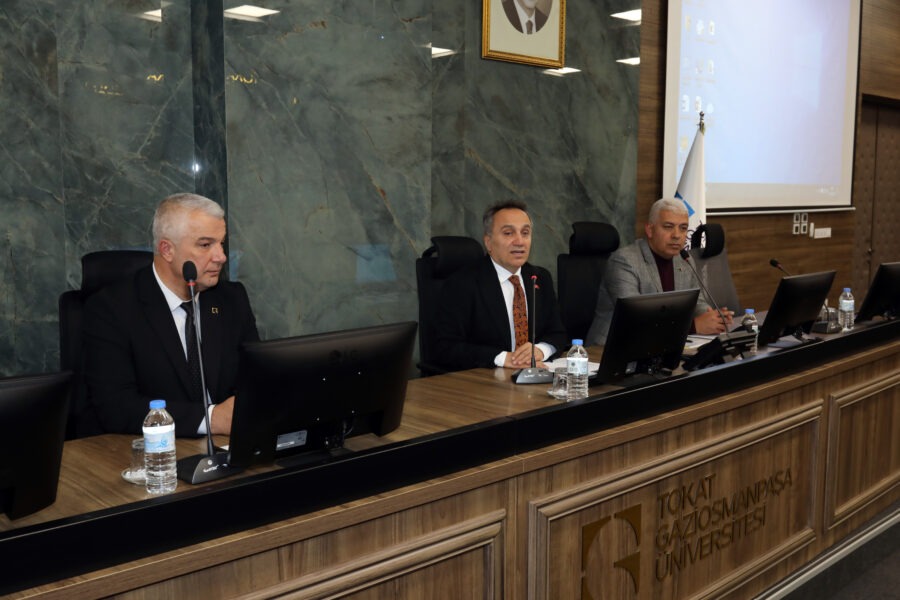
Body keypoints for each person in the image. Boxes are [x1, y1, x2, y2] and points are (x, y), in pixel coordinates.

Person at [80, 193, 259, 437]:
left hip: (228, 445)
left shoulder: (231, 299)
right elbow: (116, 407)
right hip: (150, 449)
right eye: (205, 245)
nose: (221, 257)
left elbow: (255, 378)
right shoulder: (111, 308)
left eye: (221, 243)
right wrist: (211, 419)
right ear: (167, 250)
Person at [433, 200, 567, 371]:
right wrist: (504, 358)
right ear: (488, 242)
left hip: (535, 375)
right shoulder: (463, 283)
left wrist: (541, 350)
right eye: (508, 233)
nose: (519, 241)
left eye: (525, 233)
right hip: (484, 379)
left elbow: (557, 333)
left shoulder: (539, 278)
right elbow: (445, 347)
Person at [585, 198, 734, 346]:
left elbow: (697, 302)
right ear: (650, 230)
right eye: (668, 227)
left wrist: (713, 317)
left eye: (683, 228)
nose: (677, 235)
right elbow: (636, 319)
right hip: (611, 347)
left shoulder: (684, 259)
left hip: (661, 344)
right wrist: (694, 326)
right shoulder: (624, 261)